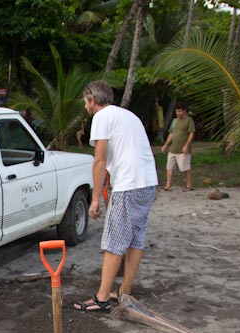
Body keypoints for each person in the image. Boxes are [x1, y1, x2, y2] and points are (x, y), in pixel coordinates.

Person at [72, 80, 158, 312]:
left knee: (115, 241)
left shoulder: (101, 117)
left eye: (85, 102)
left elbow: (99, 160)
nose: (85, 106)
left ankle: (101, 298)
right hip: (148, 183)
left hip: (129, 185)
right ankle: (125, 291)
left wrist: (95, 199)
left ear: (92, 100)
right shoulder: (128, 115)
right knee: (135, 238)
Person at [161, 104, 195, 191]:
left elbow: (191, 133)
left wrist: (186, 145)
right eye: (176, 111)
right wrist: (165, 145)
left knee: (185, 168)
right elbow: (171, 133)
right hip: (173, 148)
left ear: (184, 111)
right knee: (169, 167)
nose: (178, 113)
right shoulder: (174, 121)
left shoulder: (189, 120)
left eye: (179, 111)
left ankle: (189, 185)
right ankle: (168, 185)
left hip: (183, 149)